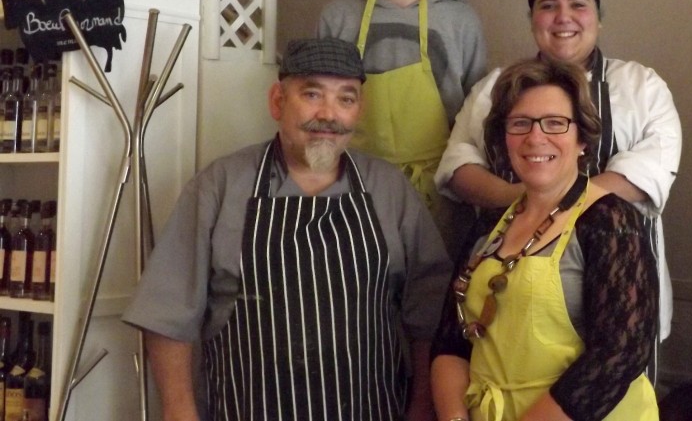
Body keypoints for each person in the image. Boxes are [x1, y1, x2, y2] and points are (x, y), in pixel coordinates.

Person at [123, 38, 452, 421]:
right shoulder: (221, 186)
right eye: (312, 94)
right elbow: (166, 314)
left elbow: (429, 315)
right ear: (278, 101)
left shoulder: (389, 190)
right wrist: (179, 410)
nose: (329, 115)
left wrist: (423, 406)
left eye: (346, 99)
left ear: (359, 110)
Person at [435, 0, 682, 348]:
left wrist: (550, 204)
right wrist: (530, 202)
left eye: (578, 4)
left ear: (599, 18)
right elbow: (458, 166)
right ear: (532, 18)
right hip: (511, 297)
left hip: (622, 294)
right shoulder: (492, 88)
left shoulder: (642, 87)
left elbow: (644, 175)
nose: (563, 16)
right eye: (548, 5)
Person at [431, 57, 660, 420]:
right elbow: (451, 339)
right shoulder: (489, 225)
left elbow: (618, 355)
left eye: (555, 123)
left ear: (582, 138)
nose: (535, 137)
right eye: (520, 123)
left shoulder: (610, 221)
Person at [316, 0, 487, 258]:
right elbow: (319, 118)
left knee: (433, 306)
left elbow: (478, 122)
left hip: (441, 201)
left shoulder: (460, 21)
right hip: (354, 194)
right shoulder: (338, 17)